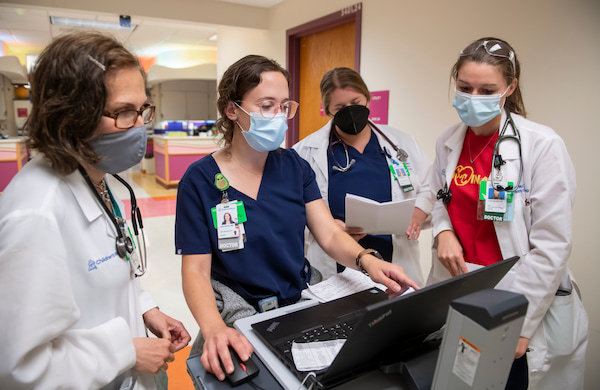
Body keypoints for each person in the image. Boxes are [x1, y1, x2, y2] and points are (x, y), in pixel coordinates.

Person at [175, 55, 419, 382]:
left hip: (297, 306)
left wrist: (366, 260)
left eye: (284, 106)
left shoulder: (294, 167)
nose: (278, 116)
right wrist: (214, 328)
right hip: (237, 315)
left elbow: (329, 235)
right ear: (232, 110)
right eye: (265, 106)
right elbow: (195, 270)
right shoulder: (199, 180)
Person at [0, 32, 191, 389]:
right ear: (71, 115)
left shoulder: (94, 178)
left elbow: (106, 275)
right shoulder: (35, 213)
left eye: (142, 109)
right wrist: (124, 352)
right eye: (123, 113)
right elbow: (18, 369)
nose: (139, 125)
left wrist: (146, 309)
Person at [428, 37, 588, 389]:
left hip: (514, 295)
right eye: (464, 87)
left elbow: (551, 248)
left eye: (487, 90)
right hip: (460, 288)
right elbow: (438, 196)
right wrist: (443, 231)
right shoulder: (448, 140)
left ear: (510, 87)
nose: (473, 98)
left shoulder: (542, 146)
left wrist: (520, 321)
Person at [293, 67, 432, 286]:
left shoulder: (402, 143)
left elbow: (429, 185)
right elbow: (293, 210)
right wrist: (326, 227)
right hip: (338, 265)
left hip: (397, 259)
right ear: (327, 110)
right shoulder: (304, 152)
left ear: (367, 99)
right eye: (340, 107)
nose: (350, 111)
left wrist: (419, 211)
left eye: (356, 102)